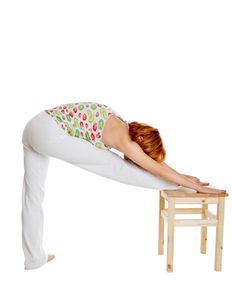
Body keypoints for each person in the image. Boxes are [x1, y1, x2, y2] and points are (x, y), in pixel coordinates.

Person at [21, 101, 227, 270]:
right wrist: (188, 185)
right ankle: (172, 186)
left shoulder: (121, 124)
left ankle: (34, 259)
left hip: (34, 126)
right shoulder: (125, 139)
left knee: (33, 196)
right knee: (117, 167)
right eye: (141, 154)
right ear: (139, 141)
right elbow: (154, 169)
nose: (140, 159)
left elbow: (153, 165)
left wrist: (183, 176)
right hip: (48, 133)